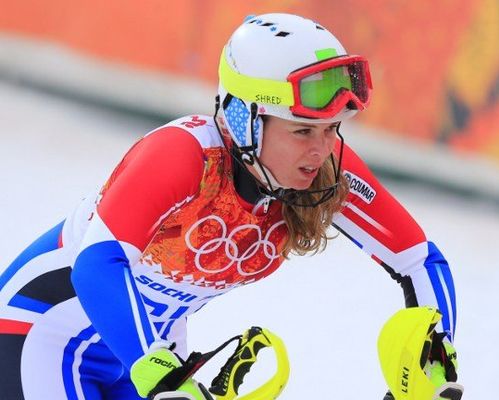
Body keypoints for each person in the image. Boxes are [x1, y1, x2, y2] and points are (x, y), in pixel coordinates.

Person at [0, 13, 460, 400]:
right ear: (244, 120)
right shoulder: (182, 156)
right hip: (42, 334)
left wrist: (434, 358)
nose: (322, 150)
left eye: (333, 128)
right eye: (301, 130)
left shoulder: (324, 163)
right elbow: (96, 265)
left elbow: (419, 259)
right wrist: (162, 375)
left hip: (146, 353)